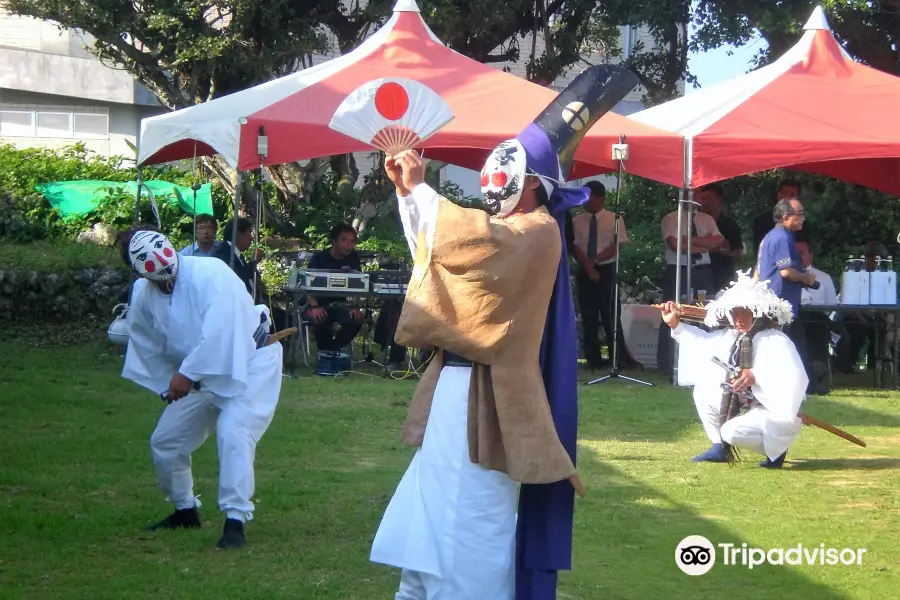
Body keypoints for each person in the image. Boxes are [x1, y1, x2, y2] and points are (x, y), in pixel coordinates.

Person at [369, 64, 639, 600]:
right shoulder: (515, 231)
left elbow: (473, 244)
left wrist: (422, 192)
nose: (492, 183)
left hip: (491, 398)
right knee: (435, 496)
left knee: (471, 512)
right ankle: (420, 589)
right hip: (457, 387)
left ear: (534, 184)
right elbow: (439, 254)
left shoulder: (538, 233)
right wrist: (408, 196)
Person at [118, 226, 283, 549]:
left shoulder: (211, 273)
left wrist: (187, 373)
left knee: (233, 431)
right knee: (166, 441)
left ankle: (235, 521)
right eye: (158, 280)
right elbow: (147, 342)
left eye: (169, 276)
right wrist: (171, 380)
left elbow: (221, 333)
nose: (166, 284)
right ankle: (185, 510)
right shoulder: (144, 293)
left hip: (249, 362)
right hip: (202, 377)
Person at [660, 272, 808, 468]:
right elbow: (701, 344)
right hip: (743, 402)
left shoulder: (775, 339)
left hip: (769, 409)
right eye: (734, 312)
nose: (738, 318)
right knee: (703, 391)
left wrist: (755, 376)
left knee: (731, 432)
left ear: (757, 313)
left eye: (744, 312)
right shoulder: (730, 337)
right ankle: (719, 447)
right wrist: (675, 324)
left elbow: (793, 375)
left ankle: (776, 449)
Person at [566, 181, 638, 370]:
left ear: (600, 198)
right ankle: (593, 359)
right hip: (584, 269)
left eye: (588, 197)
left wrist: (595, 261)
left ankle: (618, 358)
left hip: (606, 269)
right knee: (588, 316)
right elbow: (574, 246)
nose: (584, 201)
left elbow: (617, 245)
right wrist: (588, 266)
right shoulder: (576, 220)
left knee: (611, 316)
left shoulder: (615, 219)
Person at [755, 197, 821, 393]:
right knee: (792, 344)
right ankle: (805, 386)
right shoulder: (782, 238)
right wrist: (806, 278)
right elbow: (786, 271)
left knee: (786, 343)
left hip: (773, 301)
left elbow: (758, 270)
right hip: (780, 302)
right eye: (799, 214)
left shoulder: (772, 236)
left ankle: (800, 385)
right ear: (785, 217)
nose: (803, 218)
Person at [656, 201, 724, 378]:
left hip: (702, 271)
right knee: (672, 312)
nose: (696, 194)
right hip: (678, 269)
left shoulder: (706, 219)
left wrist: (689, 240)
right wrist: (704, 243)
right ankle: (666, 364)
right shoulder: (671, 218)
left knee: (704, 313)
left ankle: (706, 361)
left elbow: (717, 243)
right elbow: (677, 246)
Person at [305, 223, 365, 352]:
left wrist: (355, 306)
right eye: (344, 240)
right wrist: (315, 306)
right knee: (320, 318)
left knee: (356, 319)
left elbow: (358, 284)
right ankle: (325, 351)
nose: (349, 245)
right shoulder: (319, 258)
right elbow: (307, 284)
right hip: (316, 303)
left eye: (352, 241)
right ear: (334, 241)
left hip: (339, 304)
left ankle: (334, 350)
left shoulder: (353, 258)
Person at [698, 184, 744, 294]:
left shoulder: (729, 225)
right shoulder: (695, 223)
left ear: (718, 199)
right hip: (700, 274)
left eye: (708, 198)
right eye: (703, 199)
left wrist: (719, 250)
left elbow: (738, 254)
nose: (705, 202)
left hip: (723, 276)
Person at [752, 178, 810, 253]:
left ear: (797, 198)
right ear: (778, 194)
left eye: (792, 195)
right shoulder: (761, 221)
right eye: (785, 193)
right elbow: (760, 249)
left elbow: (805, 249)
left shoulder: (802, 223)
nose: (788, 197)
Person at [214, 217, 265, 300]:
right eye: (249, 232)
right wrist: (253, 262)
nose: (251, 238)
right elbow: (234, 278)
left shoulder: (236, 254)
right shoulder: (223, 252)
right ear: (238, 234)